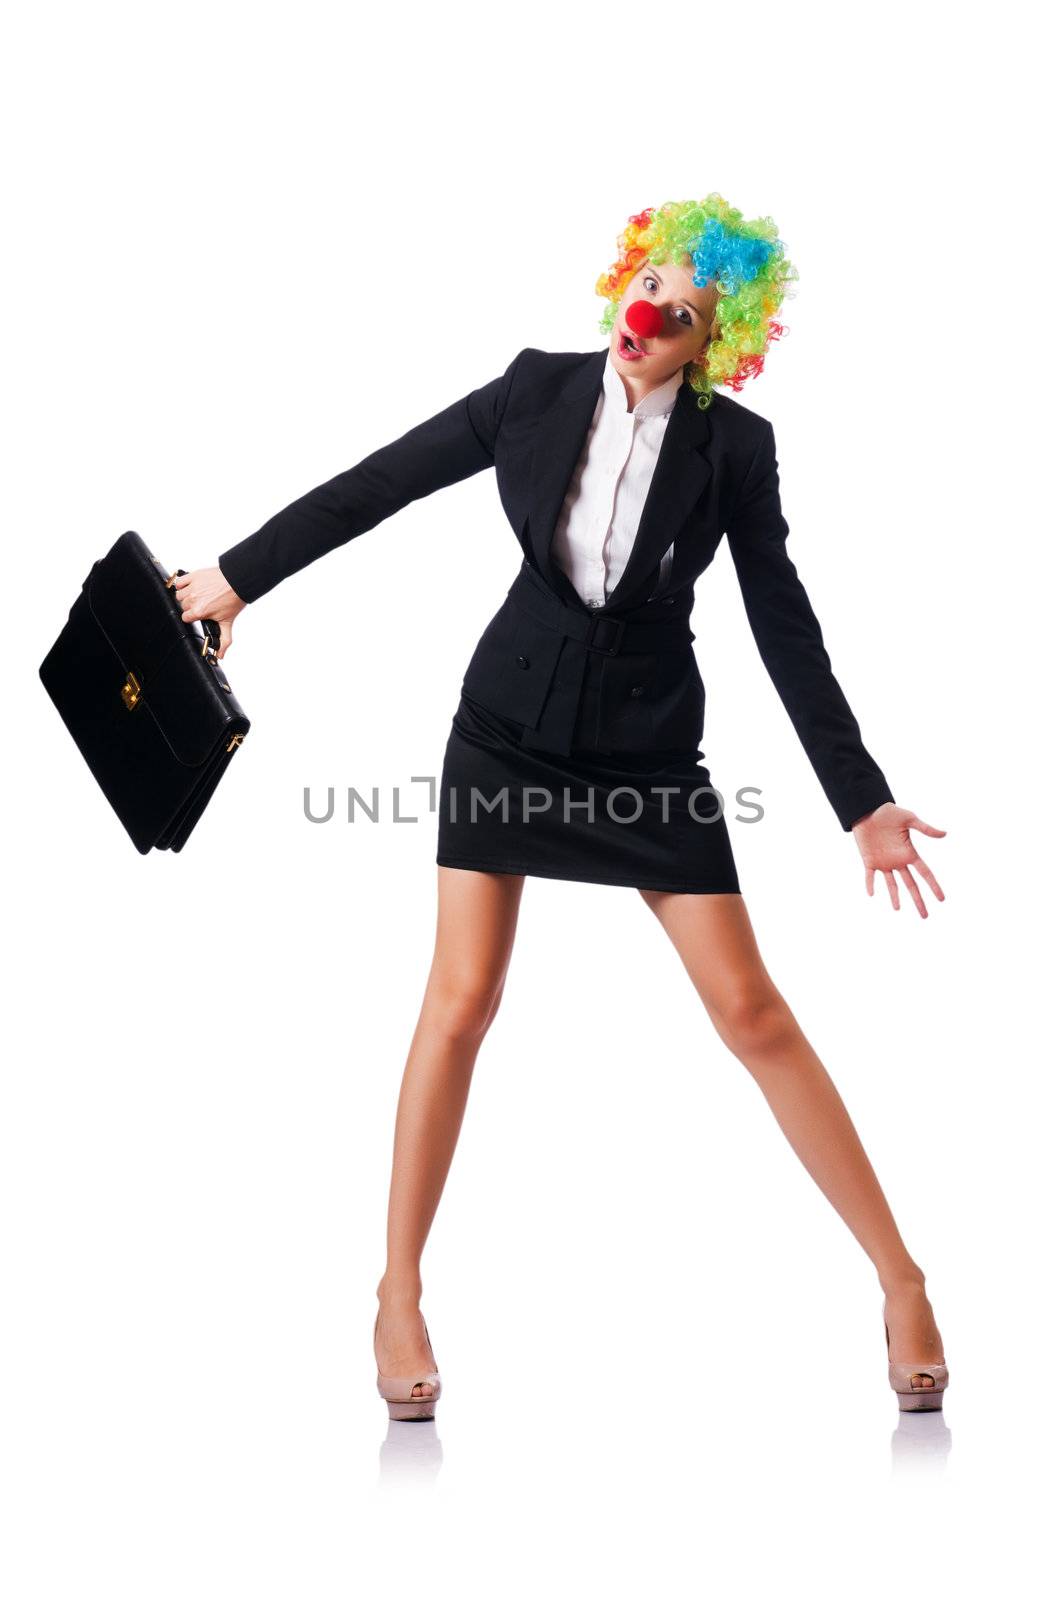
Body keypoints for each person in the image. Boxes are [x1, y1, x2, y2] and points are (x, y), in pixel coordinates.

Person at [173, 195, 949, 1419]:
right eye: (649, 286)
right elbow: (378, 483)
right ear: (621, 275)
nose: (651, 315)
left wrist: (860, 800)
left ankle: (901, 1278)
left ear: (714, 340)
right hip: (507, 727)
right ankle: (396, 1290)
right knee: (463, 998)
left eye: (684, 312)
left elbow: (782, 621)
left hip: (648, 750)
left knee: (748, 1008)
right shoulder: (535, 389)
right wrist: (234, 577)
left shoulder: (733, 451)